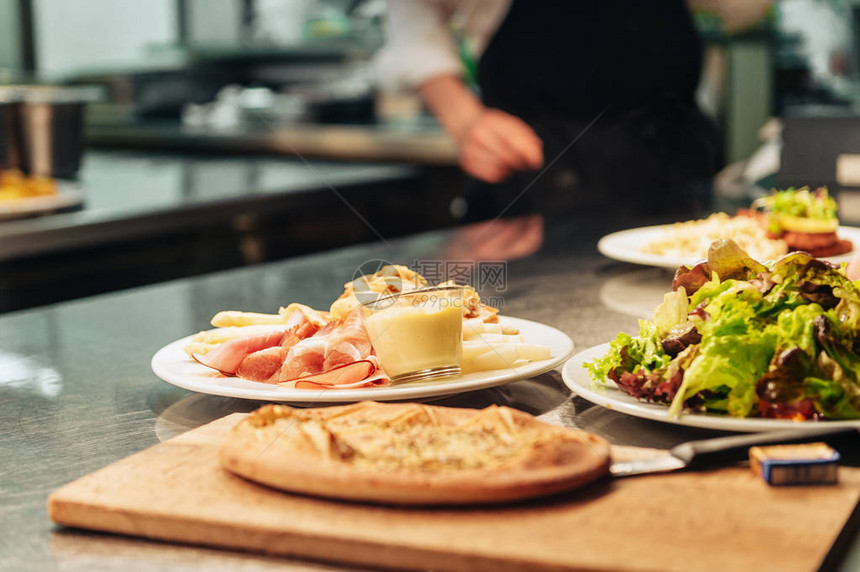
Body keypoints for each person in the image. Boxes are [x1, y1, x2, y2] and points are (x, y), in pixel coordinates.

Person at [376, 0, 728, 236]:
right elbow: (412, 23)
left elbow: (743, 10)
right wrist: (465, 120)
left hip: (669, 160)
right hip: (542, 171)